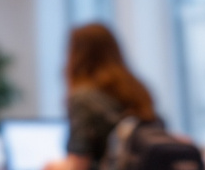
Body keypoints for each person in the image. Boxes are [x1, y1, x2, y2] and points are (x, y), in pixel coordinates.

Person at [43, 23, 160, 170]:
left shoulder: (82, 98)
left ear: (76, 55)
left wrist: (52, 166)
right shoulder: (136, 90)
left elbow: (79, 164)